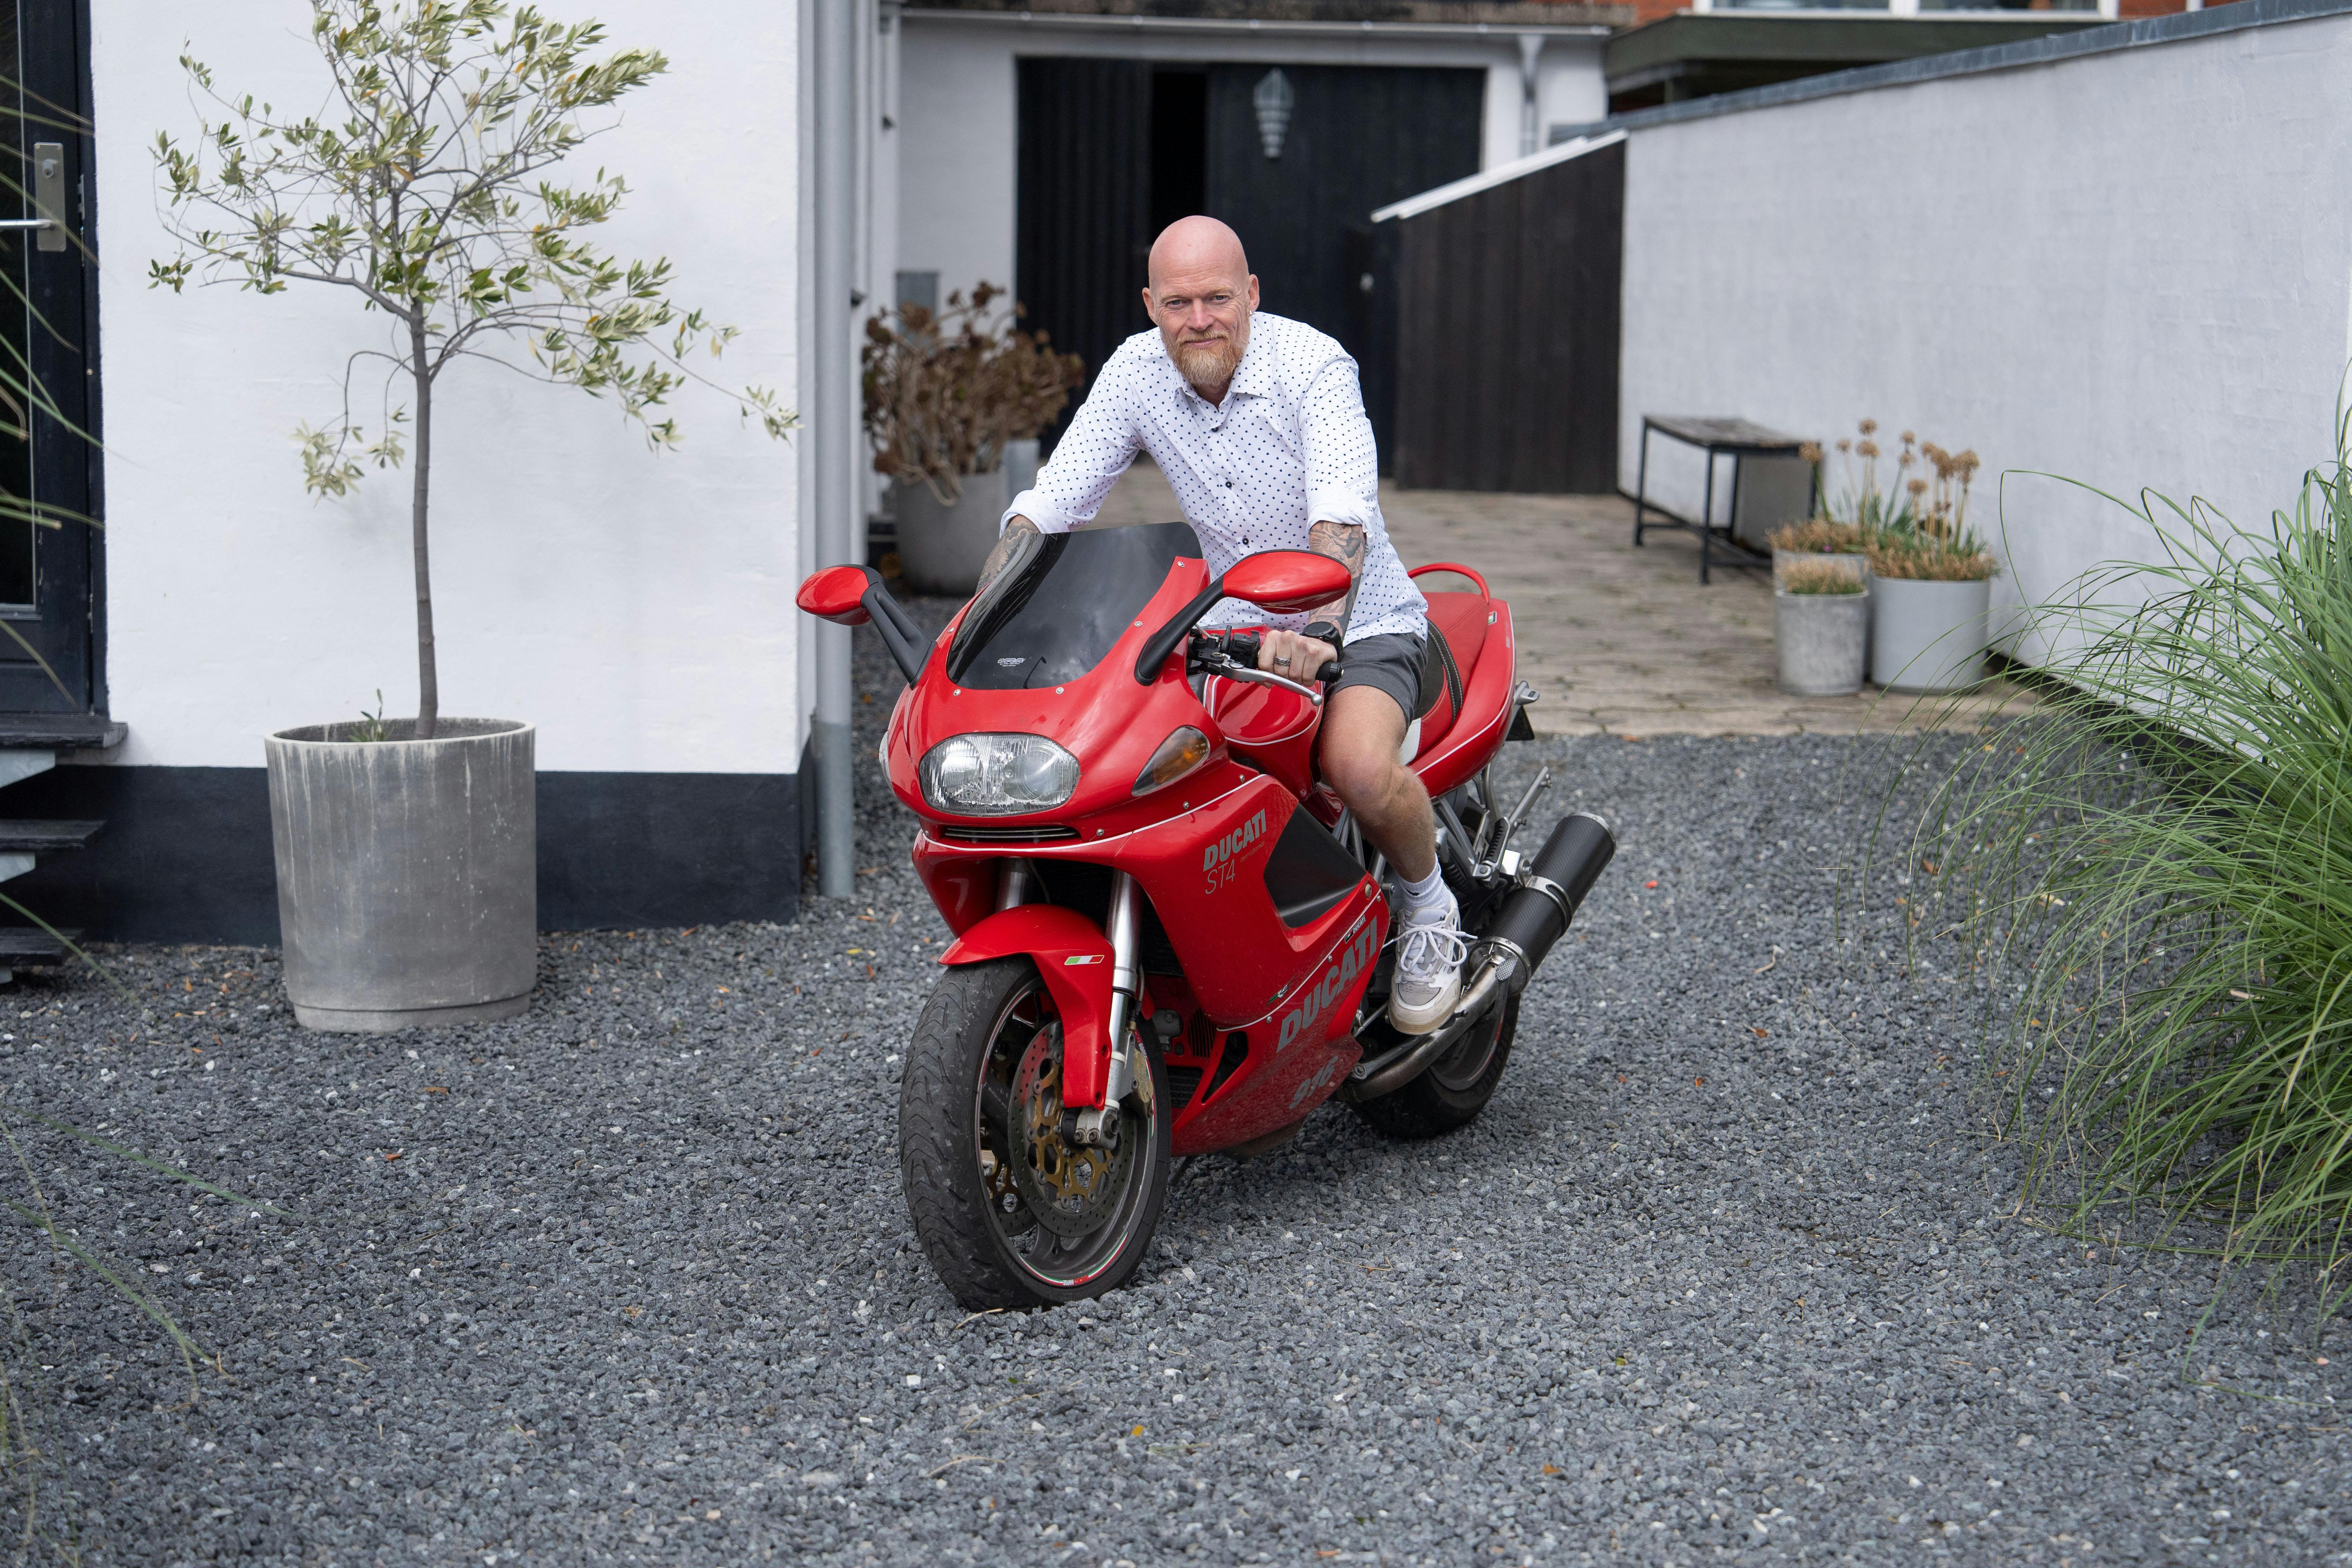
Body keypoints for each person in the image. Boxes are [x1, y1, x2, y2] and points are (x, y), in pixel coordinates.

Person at [980, 216, 1463, 1034]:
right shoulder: (1135, 373)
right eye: (1178, 301)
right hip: (1226, 632)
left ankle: (1429, 905)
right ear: (1150, 305)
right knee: (1155, 775)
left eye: (1216, 297)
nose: (1198, 317)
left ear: (1252, 295)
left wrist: (1318, 629)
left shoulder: (1311, 364)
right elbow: (1049, 505)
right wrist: (979, 621)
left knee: (1353, 763)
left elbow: (1342, 513)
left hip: (1362, 617)